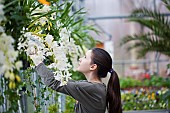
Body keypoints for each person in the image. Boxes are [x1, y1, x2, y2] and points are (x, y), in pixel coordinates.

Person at [32, 48, 122, 113]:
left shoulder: (91, 88)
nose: (80, 59)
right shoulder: (92, 86)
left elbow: (54, 82)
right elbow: (67, 82)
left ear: (93, 66)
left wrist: (38, 62)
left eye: (85, 57)